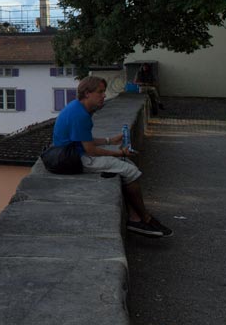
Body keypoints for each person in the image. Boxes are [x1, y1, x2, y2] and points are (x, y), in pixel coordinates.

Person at [52, 76, 172, 237]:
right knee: (130, 171)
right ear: (87, 93)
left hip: (71, 153)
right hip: (73, 159)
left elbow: (84, 139)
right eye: (100, 92)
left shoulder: (77, 108)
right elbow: (90, 150)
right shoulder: (80, 115)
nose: (104, 96)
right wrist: (118, 153)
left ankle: (135, 217)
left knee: (127, 166)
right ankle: (144, 217)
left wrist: (110, 140)